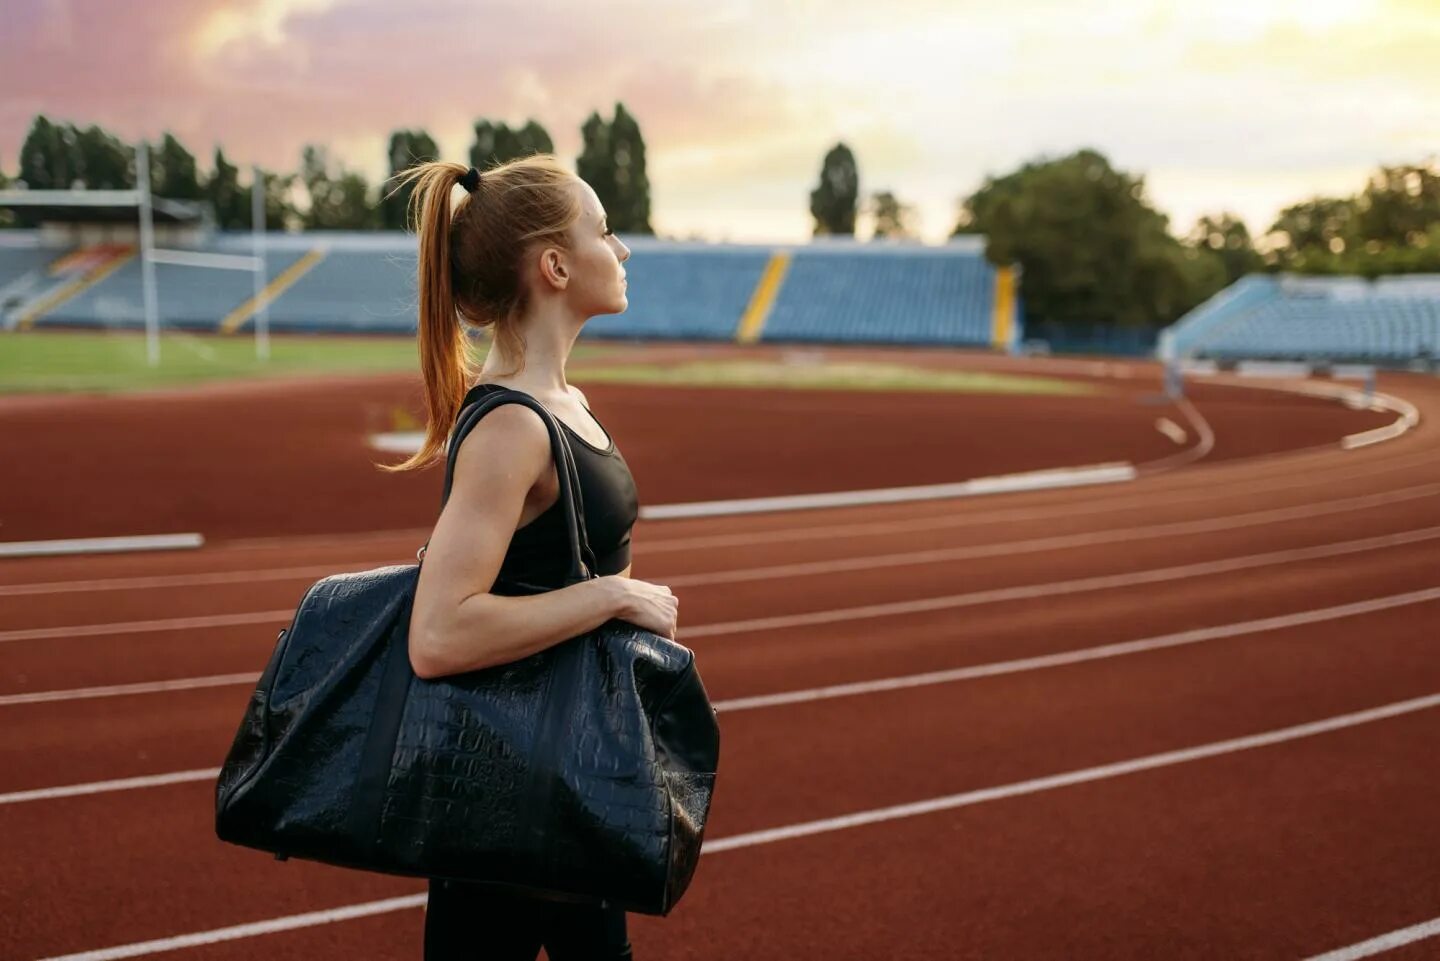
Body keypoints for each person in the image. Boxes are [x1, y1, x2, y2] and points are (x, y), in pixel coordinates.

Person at [378, 154, 680, 960]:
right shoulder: (512, 426)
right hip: (508, 787)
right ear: (553, 265)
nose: (621, 251)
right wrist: (612, 599)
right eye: (604, 231)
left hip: (570, 770)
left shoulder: (563, 404)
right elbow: (438, 635)